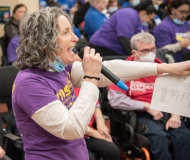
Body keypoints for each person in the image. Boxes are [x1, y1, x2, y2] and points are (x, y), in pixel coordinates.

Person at [12, 6, 190, 160]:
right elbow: (72, 128)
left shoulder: (58, 67)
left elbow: (110, 69)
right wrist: (90, 77)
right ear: (45, 42)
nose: (75, 38)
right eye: (66, 32)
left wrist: (167, 69)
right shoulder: (30, 83)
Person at [108, 32, 190, 160]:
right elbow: (115, 100)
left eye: (152, 49)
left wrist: (176, 115)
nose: (150, 53)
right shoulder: (123, 69)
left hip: (166, 110)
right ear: (134, 52)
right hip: (141, 113)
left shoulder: (163, 67)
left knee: (184, 136)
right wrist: (146, 106)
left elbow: (178, 93)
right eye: (145, 50)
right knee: (159, 138)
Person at [90, 0, 156, 56]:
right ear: (144, 14)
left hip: (117, 50)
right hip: (103, 48)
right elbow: (124, 39)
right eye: (150, 19)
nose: (150, 22)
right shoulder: (128, 14)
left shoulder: (143, 23)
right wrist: (136, 56)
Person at [74, 88, 120, 160]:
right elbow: (69, 124)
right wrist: (93, 132)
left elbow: (95, 105)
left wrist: (100, 121)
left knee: (112, 150)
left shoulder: (82, 84)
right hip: (70, 137)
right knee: (90, 158)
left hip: (87, 136)